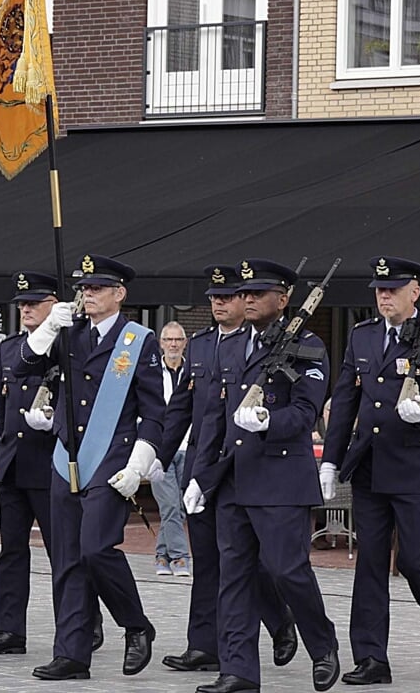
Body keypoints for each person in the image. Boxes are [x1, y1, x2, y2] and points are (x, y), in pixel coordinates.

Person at [187, 259, 340, 693]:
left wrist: (267, 421)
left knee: (285, 570)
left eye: (258, 293)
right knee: (234, 575)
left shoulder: (306, 346)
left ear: (284, 299)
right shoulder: (231, 347)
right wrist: (201, 476)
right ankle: (238, 670)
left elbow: (306, 412)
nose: (247, 299)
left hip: (280, 479)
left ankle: (322, 643)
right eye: (245, 293)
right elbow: (215, 416)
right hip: (234, 477)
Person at [321, 256, 420, 684]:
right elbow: (346, 401)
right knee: (369, 562)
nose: (383, 296)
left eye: (392, 289)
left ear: (415, 293)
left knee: (417, 558)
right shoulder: (362, 337)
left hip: (419, 468)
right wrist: (332, 458)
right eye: (379, 290)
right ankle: (371, 658)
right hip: (370, 464)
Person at [19, 254, 163, 682]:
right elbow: (23, 366)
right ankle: (72, 653)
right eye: (85, 288)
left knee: (95, 549)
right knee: (66, 560)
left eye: (98, 288)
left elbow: (155, 410)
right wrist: (47, 328)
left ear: (119, 294)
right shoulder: (69, 333)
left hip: (112, 457)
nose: (88, 295)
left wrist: (143, 459)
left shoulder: (138, 340)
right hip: (68, 456)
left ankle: (135, 624)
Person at [159, 266, 297, 675]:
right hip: (202, 467)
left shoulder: (260, 348)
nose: (219, 302)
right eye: (214, 296)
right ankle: (204, 644)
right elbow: (183, 409)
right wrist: (156, 457)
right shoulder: (200, 345)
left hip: (239, 466)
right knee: (207, 560)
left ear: (246, 301)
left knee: (246, 562)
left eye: (228, 296)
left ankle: (279, 619)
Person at [0, 271, 111, 657]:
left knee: (64, 553)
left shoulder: (68, 344)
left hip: (51, 462)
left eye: (34, 303)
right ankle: (8, 629)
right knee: (11, 551)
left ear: (55, 304)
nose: (25, 310)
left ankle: (84, 623)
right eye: (21, 304)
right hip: (16, 463)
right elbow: (6, 407)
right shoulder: (11, 348)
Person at [152, 321, 192, 577]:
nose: (173, 344)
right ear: (161, 343)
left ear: (184, 343)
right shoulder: (152, 372)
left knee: (182, 506)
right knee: (169, 506)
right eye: (169, 340)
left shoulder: (194, 371)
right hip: (158, 449)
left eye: (178, 340)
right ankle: (180, 557)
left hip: (189, 446)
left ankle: (161, 554)